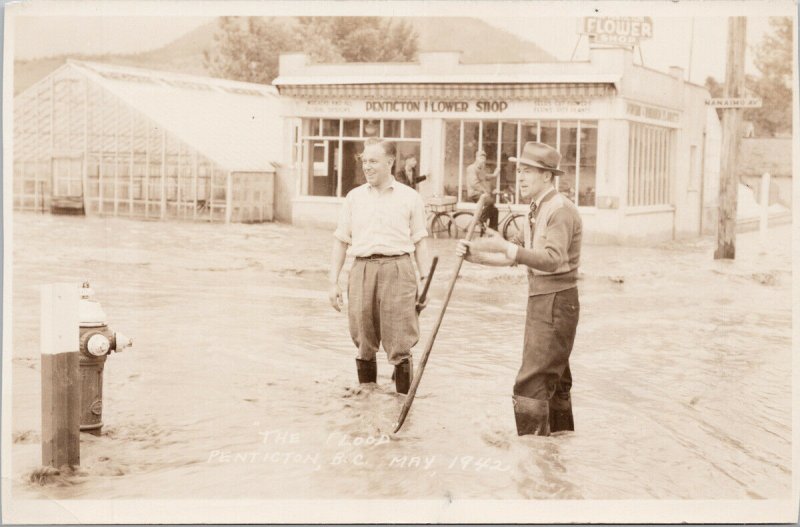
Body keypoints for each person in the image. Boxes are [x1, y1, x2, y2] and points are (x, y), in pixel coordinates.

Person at [456, 142, 582, 436]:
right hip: (544, 299)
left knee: (530, 382)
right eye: (520, 170)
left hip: (555, 301)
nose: (521, 177)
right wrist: (475, 256)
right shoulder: (535, 210)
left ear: (548, 176)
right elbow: (521, 258)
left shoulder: (560, 210)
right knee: (555, 380)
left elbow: (552, 260)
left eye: (528, 171)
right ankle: (555, 457)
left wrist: (506, 246)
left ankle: (532, 459)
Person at [329, 138, 432, 394]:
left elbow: (420, 241)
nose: (367, 166)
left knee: (400, 343)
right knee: (364, 340)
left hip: (398, 270)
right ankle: (366, 406)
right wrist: (333, 283)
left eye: (373, 161)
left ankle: (401, 409)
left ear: (390, 162)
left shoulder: (410, 197)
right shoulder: (354, 198)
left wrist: (426, 281)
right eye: (364, 161)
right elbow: (341, 241)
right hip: (361, 270)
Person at [465, 150, 500, 230]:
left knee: (495, 211)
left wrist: (495, 174)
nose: (483, 159)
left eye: (484, 158)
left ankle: (493, 231)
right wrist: (485, 191)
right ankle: (481, 219)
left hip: (481, 193)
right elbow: (474, 183)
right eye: (481, 157)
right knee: (490, 201)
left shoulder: (481, 169)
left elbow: (485, 177)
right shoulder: (471, 168)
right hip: (474, 193)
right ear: (476, 158)